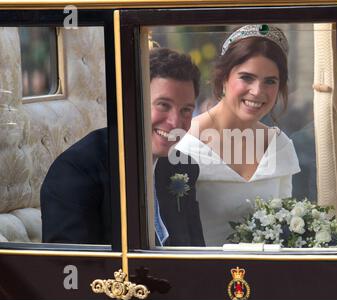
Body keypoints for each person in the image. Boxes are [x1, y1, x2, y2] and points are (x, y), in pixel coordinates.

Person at [41, 48, 205, 247]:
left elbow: (197, 255)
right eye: (163, 105)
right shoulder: (76, 170)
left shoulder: (184, 167)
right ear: (133, 101)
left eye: (186, 110)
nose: (175, 121)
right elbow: (71, 268)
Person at [176, 25, 300, 246]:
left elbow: (285, 232)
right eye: (246, 78)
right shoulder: (185, 144)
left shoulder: (279, 146)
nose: (257, 91)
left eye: (270, 81)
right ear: (223, 79)